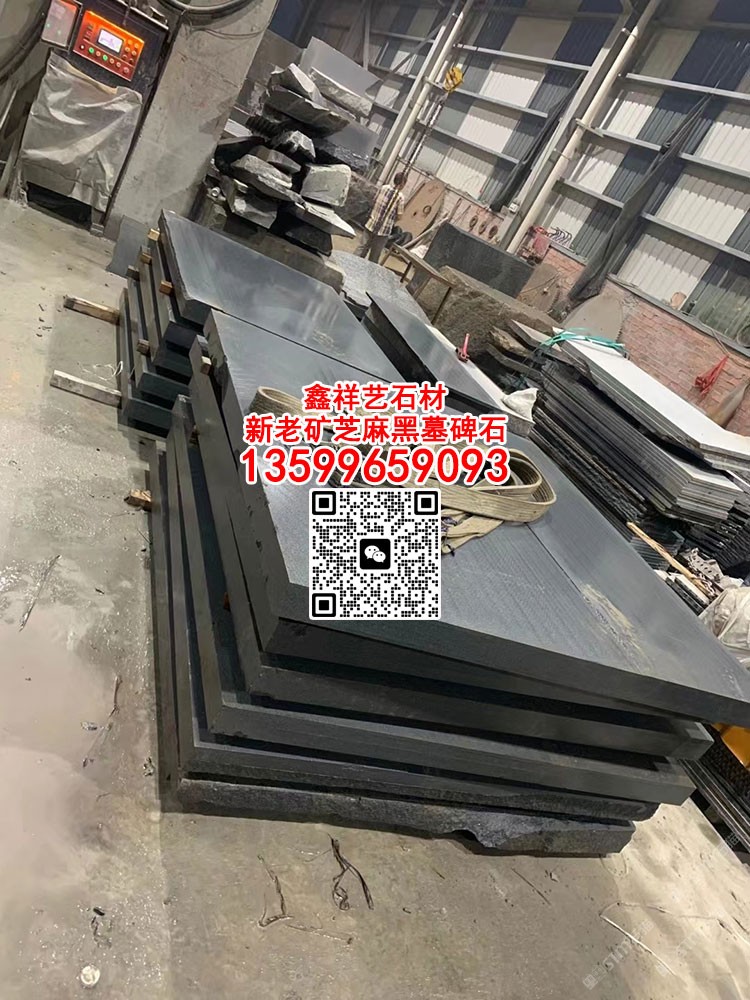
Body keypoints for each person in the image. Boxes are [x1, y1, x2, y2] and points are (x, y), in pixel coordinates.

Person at [357, 172, 407, 264]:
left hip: (371, 223)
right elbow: (399, 216)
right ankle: (368, 270)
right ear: (403, 183)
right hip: (384, 230)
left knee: (362, 248)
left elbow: (374, 201)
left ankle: (351, 264)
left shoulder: (384, 188)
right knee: (374, 255)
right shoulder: (400, 197)